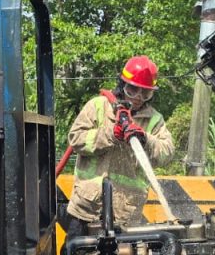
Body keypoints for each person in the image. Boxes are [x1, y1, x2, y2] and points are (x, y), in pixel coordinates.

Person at [64, 55, 175, 234]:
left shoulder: (154, 119)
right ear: (122, 84)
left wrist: (145, 139)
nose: (138, 97)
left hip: (125, 214)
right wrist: (109, 135)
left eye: (145, 93)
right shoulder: (98, 106)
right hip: (87, 209)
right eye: (133, 90)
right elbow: (76, 139)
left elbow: (167, 153)